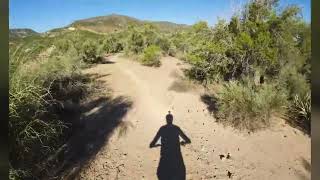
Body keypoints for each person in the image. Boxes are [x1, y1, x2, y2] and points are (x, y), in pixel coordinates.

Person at [149, 111, 191, 180]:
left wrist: (157, 145)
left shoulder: (162, 129)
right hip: (177, 157)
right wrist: (183, 142)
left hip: (165, 157)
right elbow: (188, 141)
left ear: (166, 120)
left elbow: (151, 144)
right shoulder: (176, 128)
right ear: (172, 119)